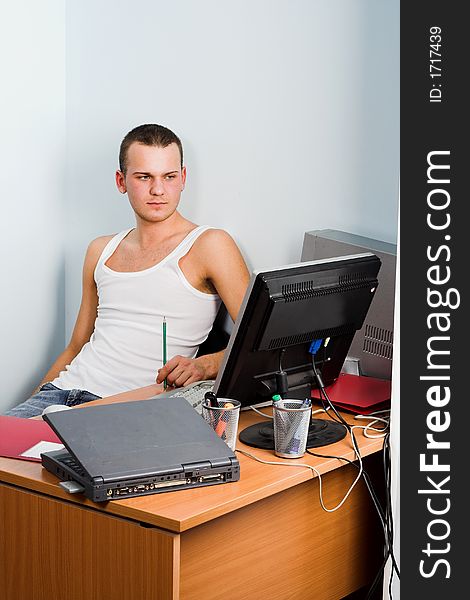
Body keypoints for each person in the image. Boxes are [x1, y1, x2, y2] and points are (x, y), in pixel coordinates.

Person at [6, 124, 250, 418]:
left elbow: (257, 346)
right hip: (61, 391)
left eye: (169, 177)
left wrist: (203, 366)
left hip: (127, 407)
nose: (158, 189)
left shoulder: (210, 245)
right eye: (144, 177)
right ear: (121, 181)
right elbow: (75, 347)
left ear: (182, 178)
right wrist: (26, 413)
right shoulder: (100, 249)